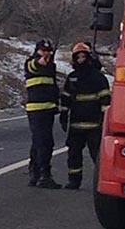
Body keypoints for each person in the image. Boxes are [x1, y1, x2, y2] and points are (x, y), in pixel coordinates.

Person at [60, 42, 111, 189]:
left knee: (98, 155)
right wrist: (64, 114)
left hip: (94, 125)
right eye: (78, 57)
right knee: (73, 154)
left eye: (83, 56)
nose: (81, 59)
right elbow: (66, 97)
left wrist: (104, 120)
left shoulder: (98, 77)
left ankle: (102, 183)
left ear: (88, 58)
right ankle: (74, 181)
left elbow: (105, 99)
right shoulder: (72, 77)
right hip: (76, 124)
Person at [24, 39, 62, 189]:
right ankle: (44, 174)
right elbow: (33, 66)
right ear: (37, 51)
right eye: (43, 51)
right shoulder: (31, 62)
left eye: (48, 51)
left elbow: (52, 85)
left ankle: (35, 173)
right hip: (37, 109)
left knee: (38, 142)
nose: (46, 54)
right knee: (45, 143)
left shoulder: (51, 66)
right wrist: (40, 61)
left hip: (48, 108)